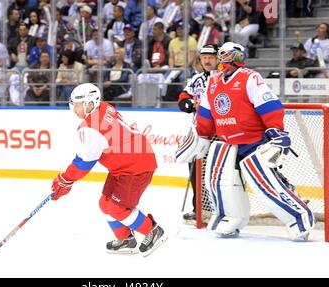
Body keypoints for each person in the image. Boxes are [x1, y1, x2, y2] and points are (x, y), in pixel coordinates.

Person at [189, 42, 315, 241]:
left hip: (253, 143)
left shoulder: (250, 77)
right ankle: (229, 219)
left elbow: (269, 104)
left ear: (238, 56)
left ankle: (299, 219)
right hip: (228, 145)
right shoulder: (213, 82)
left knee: (265, 187)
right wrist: (201, 135)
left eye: (227, 54)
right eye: (221, 55)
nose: (223, 59)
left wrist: (275, 130)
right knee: (220, 184)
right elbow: (206, 113)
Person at [50, 83, 167, 256]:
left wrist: (66, 178)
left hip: (135, 167)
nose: (73, 108)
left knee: (115, 208)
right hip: (126, 165)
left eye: (76, 104)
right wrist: (67, 178)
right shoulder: (104, 107)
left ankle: (153, 231)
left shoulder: (90, 128)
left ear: (89, 104)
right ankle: (126, 239)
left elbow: (84, 162)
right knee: (105, 203)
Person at [176, 44, 219, 225]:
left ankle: (220, 209)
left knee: (217, 173)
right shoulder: (197, 79)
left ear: (218, 58)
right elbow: (183, 97)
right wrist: (188, 104)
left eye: (211, 57)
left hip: (220, 134)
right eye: (204, 57)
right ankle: (200, 209)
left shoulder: (225, 78)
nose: (207, 60)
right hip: (200, 134)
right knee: (196, 172)